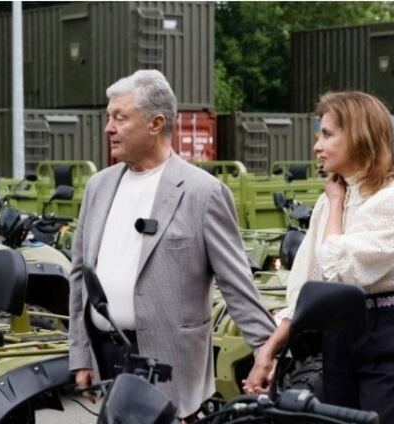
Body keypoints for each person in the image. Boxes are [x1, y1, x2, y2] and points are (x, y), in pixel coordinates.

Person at [68, 69, 275, 421]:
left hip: (169, 364)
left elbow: (237, 285)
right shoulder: (98, 187)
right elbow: (78, 276)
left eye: (120, 117)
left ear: (156, 123)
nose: (108, 128)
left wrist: (266, 353)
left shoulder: (203, 193)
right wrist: (81, 355)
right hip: (108, 356)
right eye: (108, 117)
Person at [246, 91, 394, 424]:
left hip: (386, 330)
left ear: (359, 135)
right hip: (338, 334)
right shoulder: (330, 198)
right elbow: (307, 286)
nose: (317, 146)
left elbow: (343, 273)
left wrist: (337, 205)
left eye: (327, 135)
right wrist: (268, 352)